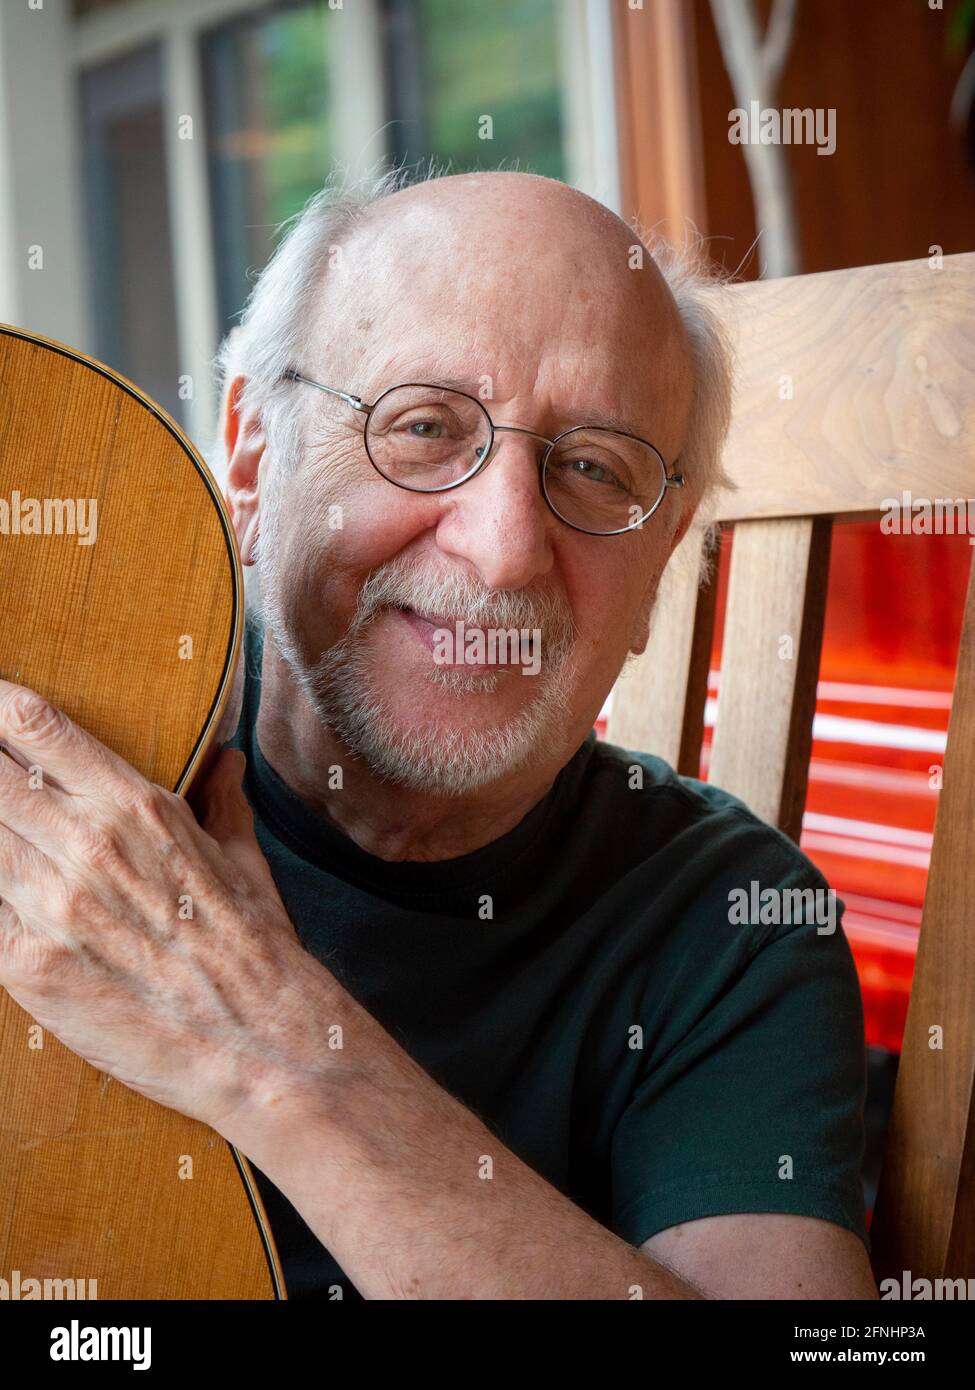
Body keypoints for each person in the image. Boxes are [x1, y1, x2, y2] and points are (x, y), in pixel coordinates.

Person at [0, 165, 877, 1299]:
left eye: (593, 467)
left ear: (661, 569)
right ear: (256, 459)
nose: (506, 546)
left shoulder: (735, 925)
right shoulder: (61, 758)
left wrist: (272, 1045)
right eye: (422, 426)